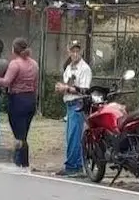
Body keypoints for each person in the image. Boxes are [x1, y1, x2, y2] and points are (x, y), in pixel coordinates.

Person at [0, 37, 38, 168]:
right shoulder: (34, 64)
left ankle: (19, 160)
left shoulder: (15, 64)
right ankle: (23, 160)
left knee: (18, 134)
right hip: (30, 99)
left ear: (14, 49)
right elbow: (35, 84)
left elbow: (5, 82)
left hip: (17, 100)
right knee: (24, 132)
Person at [55, 41, 92, 177]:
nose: (75, 53)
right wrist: (61, 87)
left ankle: (74, 167)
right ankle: (73, 164)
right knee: (71, 136)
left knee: (74, 136)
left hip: (78, 104)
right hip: (69, 104)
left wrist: (67, 88)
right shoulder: (69, 67)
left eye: (77, 50)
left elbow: (85, 90)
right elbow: (68, 84)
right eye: (72, 51)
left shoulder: (85, 68)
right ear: (68, 51)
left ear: (81, 51)